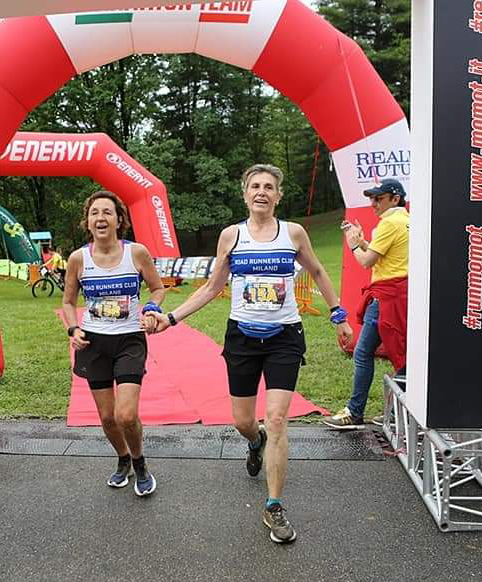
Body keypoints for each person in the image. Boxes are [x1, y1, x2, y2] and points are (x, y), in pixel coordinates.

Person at [146, 164, 353, 544]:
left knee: (276, 419)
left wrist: (337, 314)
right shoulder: (231, 236)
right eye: (255, 186)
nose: (261, 191)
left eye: (269, 187)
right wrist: (170, 318)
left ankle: (274, 505)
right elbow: (211, 288)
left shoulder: (293, 233)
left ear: (277, 196)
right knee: (244, 421)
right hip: (242, 337)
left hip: (284, 338)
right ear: (245, 195)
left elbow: (320, 271)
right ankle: (253, 442)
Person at [61, 191, 166, 496]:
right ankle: (123, 460)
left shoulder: (137, 253)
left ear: (119, 220)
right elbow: (68, 302)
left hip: (130, 340)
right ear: (88, 222)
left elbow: (157, 289)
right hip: (94, 344)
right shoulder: (78, 259)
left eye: (107, 212)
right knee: (107, 418)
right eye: (95, 213)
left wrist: (151, 308)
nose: (101, 218)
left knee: (125, 415)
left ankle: (140, 462)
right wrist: (72, 329)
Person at [323, 178, 409, 429]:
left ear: (395, 198)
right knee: (403, 357)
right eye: (372, 198)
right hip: (399, 294)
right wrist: (361, 242)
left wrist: (352, 246)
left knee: (365, 353)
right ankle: (395, 415)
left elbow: (367, 262)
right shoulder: (405, 220)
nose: (373, 203)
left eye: (378, 198)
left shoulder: (389, 223)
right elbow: (384, 255)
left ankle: (356, 411)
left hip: (386, 297)